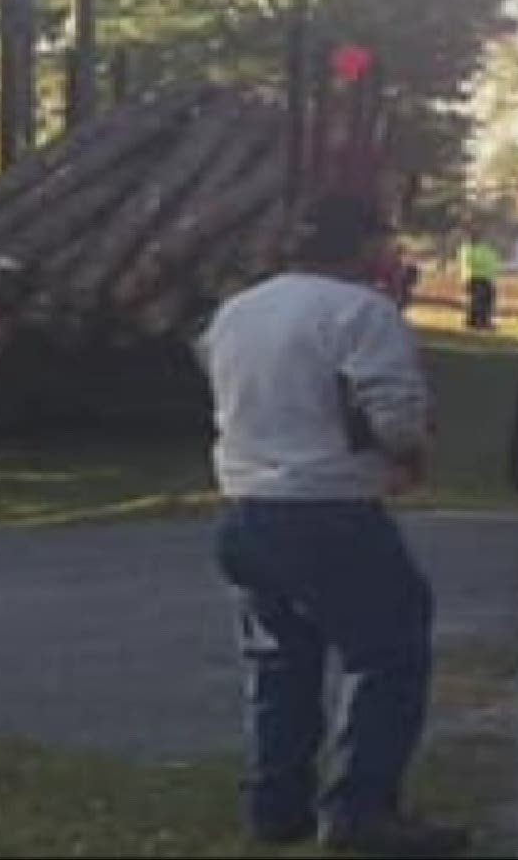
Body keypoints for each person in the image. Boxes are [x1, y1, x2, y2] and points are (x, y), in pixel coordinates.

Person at [196, 193, 466, 857]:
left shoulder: (236, 312)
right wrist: (408, 456)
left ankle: (275, 805)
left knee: (279, 662)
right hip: (328, 510)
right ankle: (361, 809)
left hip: (246, 507)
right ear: (364, 247)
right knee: (388, 654)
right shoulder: (361, 311)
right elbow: (394, 413)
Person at [457, 233, 501, 330]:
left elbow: (493, 261)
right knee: (480, 302)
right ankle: (478, 322)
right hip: (479, 278)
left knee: (483, 302)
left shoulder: (480, 249)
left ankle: (480, 322)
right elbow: (468, 264)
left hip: (485, 278)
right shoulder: (469, 250)